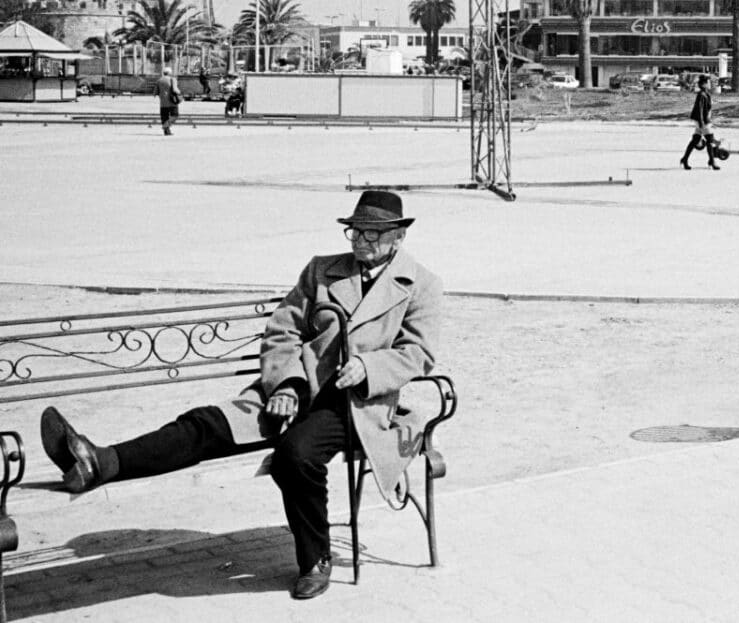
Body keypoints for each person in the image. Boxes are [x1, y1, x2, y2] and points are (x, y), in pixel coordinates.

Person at [38, 190, 442, 600]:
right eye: (355, 232)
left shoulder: (422, 285)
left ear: (398, 237)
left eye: (372, 235)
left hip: (356, 405)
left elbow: (418, 354)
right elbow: (283, 329)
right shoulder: (321, 270)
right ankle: (100, 462)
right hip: (298, 389)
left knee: (296, 456)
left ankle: (316, 560)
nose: (360, 242)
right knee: (205, 424)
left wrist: (368, 368)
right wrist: (287, 384)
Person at [679, 74, 721, 171]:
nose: (710, 85)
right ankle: (712, 162)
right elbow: (700, 110)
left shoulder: (705, 94)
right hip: (702, 121)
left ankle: (684, 159)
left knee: (695, 140)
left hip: (703, 120)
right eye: (709, 83)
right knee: (709, 141)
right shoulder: (701, 95)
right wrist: (702, 122)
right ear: (704, 84)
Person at [154, 67, 181, 136]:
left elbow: (155, 92)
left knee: (164, 117)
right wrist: (179, 92)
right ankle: (166, 126)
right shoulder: (172, 79)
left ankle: (166, 132)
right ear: (169, 73)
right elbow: (175, 90)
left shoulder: (159, 80)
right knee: (175, 115)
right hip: (172, 101)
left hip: (163, 103)